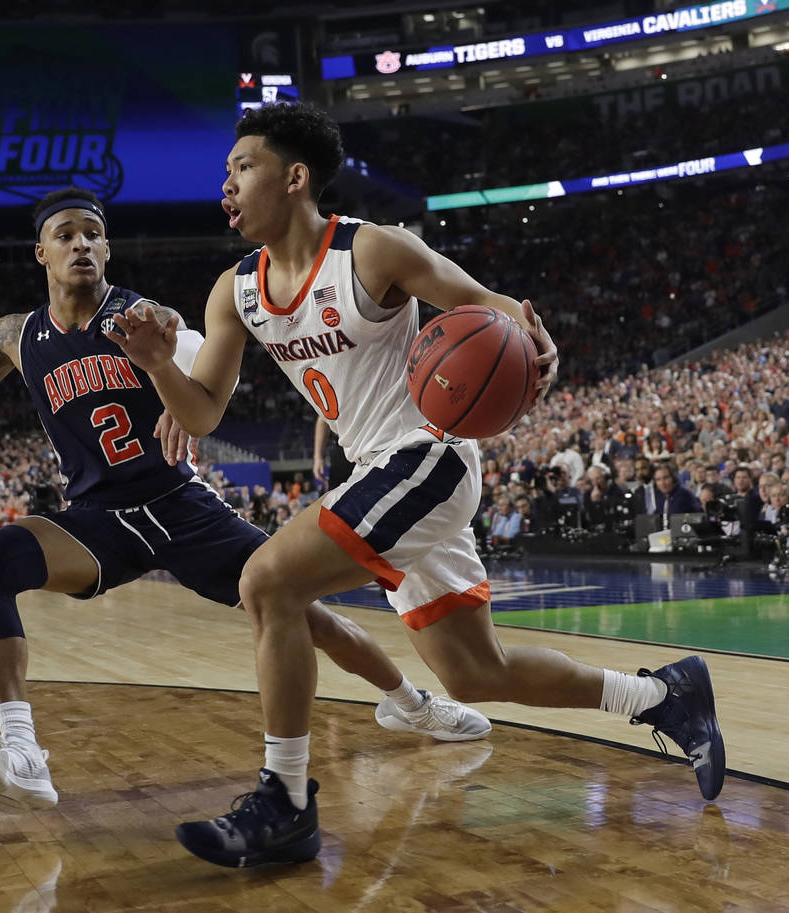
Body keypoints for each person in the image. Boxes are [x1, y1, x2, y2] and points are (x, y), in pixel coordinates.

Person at [108, 102, 725, 867]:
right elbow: (199, 415)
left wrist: (540, 343)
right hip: (381, 474)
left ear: (294, 177)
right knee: (473, 671)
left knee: (265, 580)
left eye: (241, 167)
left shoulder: (372, 252)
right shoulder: (233, 291)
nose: (226, 184)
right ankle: (666, 695)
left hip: (427, 454)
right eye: (226, 172)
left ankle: (286, 801)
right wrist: (158, 364)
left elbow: (491, 308)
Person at [0, 186, 488, 813]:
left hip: (180, 506)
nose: (81, 244)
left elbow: (200, 374)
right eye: (66, 234)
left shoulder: (144, 317)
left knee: (307, 616)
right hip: (97, 521)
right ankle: (22, 752)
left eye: (93, 234)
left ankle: (410, 702)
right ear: (40, 252)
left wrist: (180, 395)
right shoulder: (17, 335)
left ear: (108, 249)